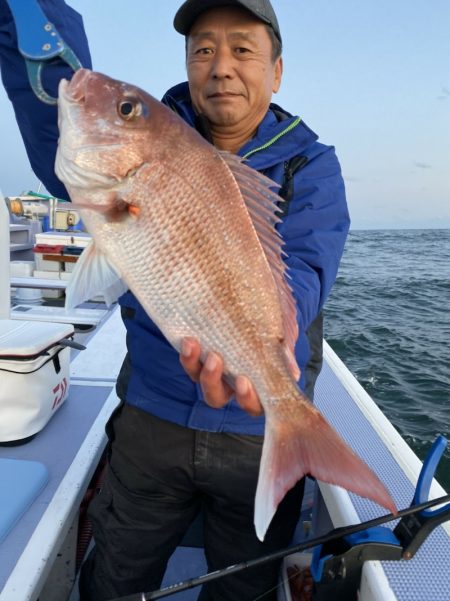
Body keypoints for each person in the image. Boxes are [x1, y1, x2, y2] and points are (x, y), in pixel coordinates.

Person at [0, 1, 350, 599]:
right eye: (203, 50)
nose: (221, 67)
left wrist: (266, 354)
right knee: (116, 571)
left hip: (254, 431)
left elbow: (308, 270)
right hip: (151, 418)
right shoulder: (147, 140)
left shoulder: (309, 165)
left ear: (277, 70)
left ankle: (298, 440)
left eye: (243, 50)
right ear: (188, 65)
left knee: (244, 585)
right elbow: (50, 77)